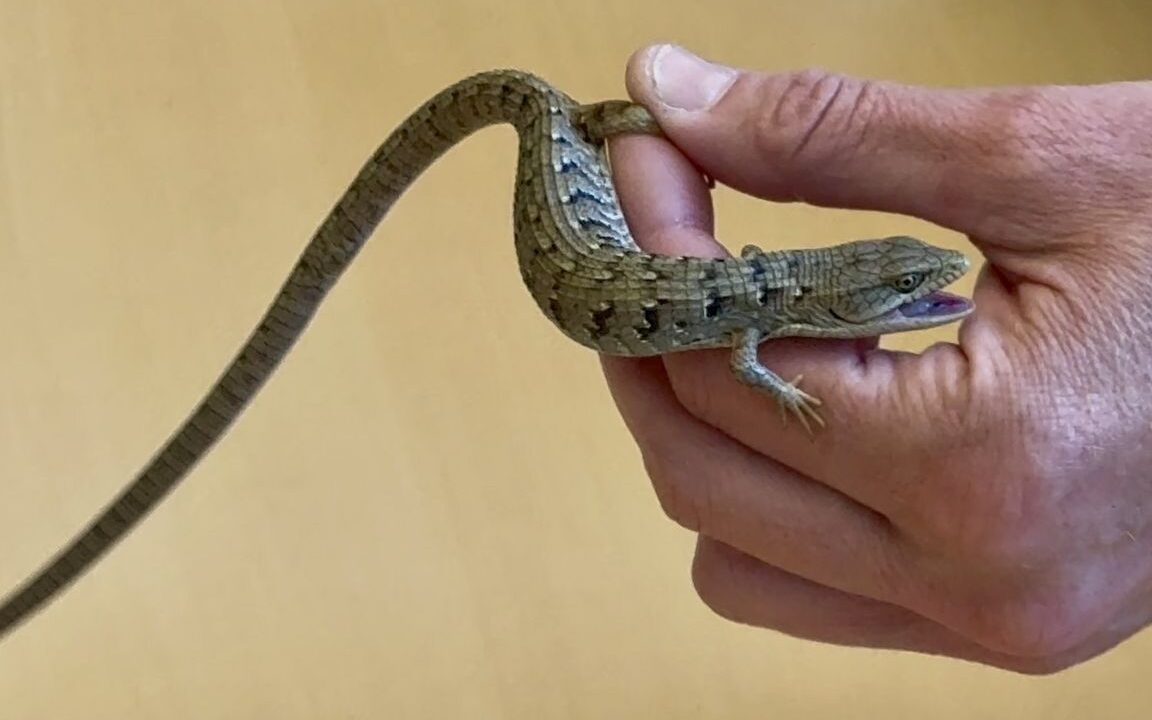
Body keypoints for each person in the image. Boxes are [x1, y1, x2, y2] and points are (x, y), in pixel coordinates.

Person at [601, 44, 1152, 674]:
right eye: (904, 282)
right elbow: (744, 366)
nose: (947, 273)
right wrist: (784, 395)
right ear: (847, 303)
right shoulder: (769, 316)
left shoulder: (781, 308)